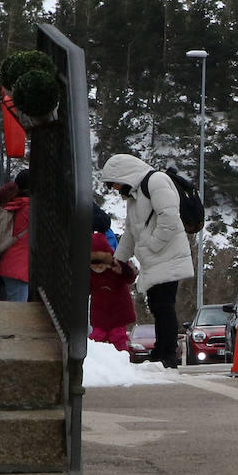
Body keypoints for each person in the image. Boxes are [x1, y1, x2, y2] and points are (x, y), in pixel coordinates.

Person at [99, 153, 194, 368]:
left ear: (123, 175)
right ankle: (162, 351)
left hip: (167, 256)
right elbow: (130, 233)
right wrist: (118, 260)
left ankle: (168, 353)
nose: (115, 188)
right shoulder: (135, 196)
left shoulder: (156, 182)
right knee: (157, 305)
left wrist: (152, 246)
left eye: (114, 183)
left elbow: (170, 218)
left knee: (164, 305)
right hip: (155, 259)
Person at [89, 232, 137, 352]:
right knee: (97, 337)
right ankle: (97, 361)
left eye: (101, 264)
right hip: (100, 313)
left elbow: (130, 277)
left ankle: (122, 359)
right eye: (94, 265)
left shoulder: (117, 266)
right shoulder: (90, 274)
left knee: (118, 337)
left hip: (118, 312)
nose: (98, 268)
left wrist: (123, 270)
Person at [0, 171, 32, 302]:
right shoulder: (29, 209)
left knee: (10, 305)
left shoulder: (15, 204)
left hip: (10, 263)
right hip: (19, 268)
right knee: (17, 310)